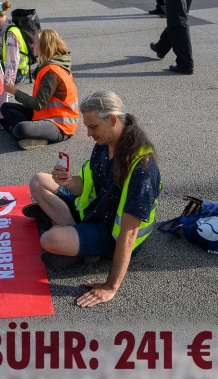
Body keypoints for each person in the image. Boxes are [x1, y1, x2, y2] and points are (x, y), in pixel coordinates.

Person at [22, 90, 161, 308]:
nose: (88, 133)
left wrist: (110, 286)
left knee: (49, 240)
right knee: (38, 181)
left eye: (93, 126)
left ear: (112, 119)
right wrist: (67, 182)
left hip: (111, 234)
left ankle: (73, 238)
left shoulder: (142, 168)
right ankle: (71, 234)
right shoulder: (104, 144)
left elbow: (129, 233)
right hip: (93, 210)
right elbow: (85, 185)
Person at [0, 29, 79, 150]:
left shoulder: (52, 71)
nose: (32, 45)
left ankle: (19, 130)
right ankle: (26, 131)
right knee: (5, 107)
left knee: (21, 129)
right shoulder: (51, 65)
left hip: (61, 125)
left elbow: (38, 104)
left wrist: (14, 91)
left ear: (44, 46)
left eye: (35, 43)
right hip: (46, 114)